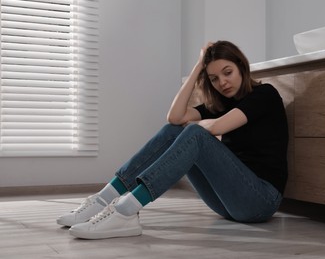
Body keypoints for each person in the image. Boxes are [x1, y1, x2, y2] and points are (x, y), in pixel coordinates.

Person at [57, 40, 289, 240]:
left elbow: (218, 126)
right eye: (214, 78)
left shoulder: (264, 94)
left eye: (227, 72)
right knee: (174, 130)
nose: (223, 83)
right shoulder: (221, 104)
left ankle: (126, 211)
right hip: (228, 202)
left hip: (261, 201)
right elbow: (175, 117)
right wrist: (199, 67)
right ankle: (103, 199)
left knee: (194, 134)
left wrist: (199, 126)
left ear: (242, 66)